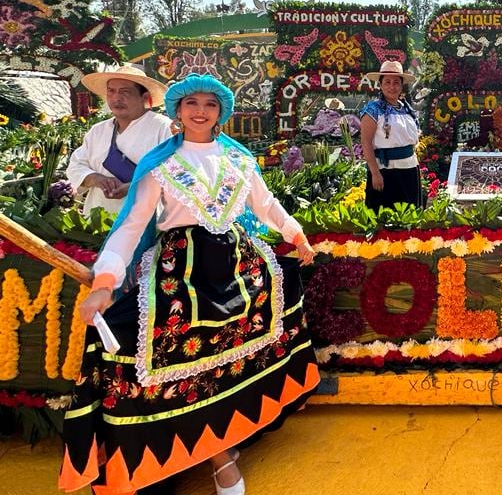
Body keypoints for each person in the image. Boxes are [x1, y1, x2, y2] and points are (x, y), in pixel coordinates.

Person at [59, 74, 319, 495]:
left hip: (239, 265)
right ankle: (212, 456)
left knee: (257, 323)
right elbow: (131, 226)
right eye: (192, 103)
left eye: (210, 104)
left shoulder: (239, 160)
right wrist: (105, 282)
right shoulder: (160, 164)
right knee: (142, 343)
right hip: (181, 271)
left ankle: (225, 443)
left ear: (221, 113)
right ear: (177, 111)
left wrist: (296, 235)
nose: (200, 110)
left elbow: (265, 205)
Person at [66, 64, 173, 214]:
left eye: (125, 91)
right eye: (111, 91)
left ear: (144, 97)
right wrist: (97, 179)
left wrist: (134, 187)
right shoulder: (98, 131)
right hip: (96, 215)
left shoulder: (163, 128)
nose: (116, 97)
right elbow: (76, 165)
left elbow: (176, 173)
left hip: (144, 218)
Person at [359, 60, 423, 211]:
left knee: (409, 214)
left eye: (396, 82)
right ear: (380, 85)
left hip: (409, 168)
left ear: (401, 86)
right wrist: (375, 173)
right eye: (387, 82)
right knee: (385, 216)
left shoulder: (406, 108)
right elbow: (366, 143)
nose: (392, 87)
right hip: (386, 171)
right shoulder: (373, 110)